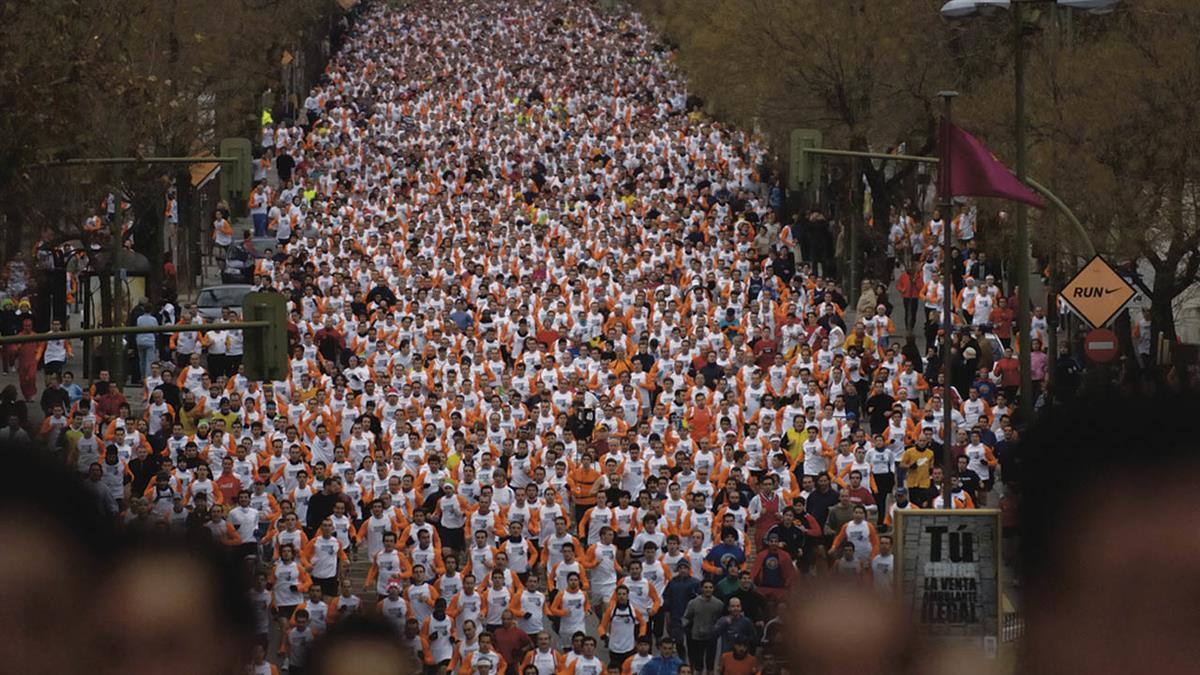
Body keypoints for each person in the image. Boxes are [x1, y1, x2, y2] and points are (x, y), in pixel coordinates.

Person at [682, 580, 724, 675]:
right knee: (698, 664)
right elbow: (686, 617)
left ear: (713, 589)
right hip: (697, 637)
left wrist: (717, 630)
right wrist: (686, 628)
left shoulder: (718, 604)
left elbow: (721, 619)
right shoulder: (693, 603)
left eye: (710, 587)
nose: (708, 589)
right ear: (701, 589)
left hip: (711, 637)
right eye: (706, 587)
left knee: (710, 663)